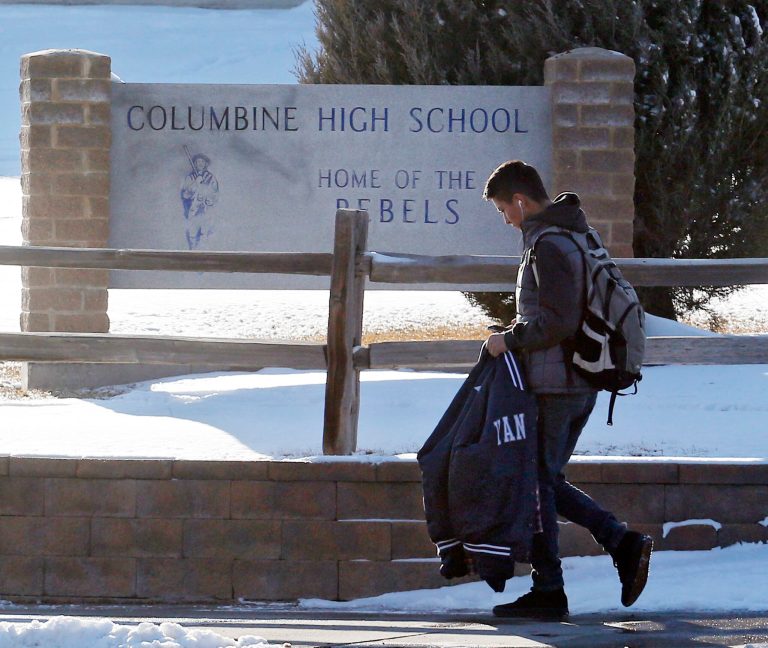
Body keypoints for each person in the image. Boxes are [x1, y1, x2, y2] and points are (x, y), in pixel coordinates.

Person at [482, 160, 653, 619]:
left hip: (558, 384)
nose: (506, 219)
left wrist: (508, 340)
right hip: (575, 380)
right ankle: (611, 549)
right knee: (543, 480)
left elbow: (558, 321)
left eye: (504, 209)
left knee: (535, 482)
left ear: (520, 201)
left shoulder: (550, 243)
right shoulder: (571, 234)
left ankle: (559, 584)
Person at [181, 153, 219, 250]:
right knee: (192, 235)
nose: (200, 163)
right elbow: (185, 195)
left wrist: (210, 199)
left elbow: (215, 195)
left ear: (206, 163)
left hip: (207, 210)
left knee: (205, 235)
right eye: (198, 161)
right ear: (195, 163)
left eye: (202, 161)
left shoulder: (211, 178)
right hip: (193, 210)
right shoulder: (190, 177)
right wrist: (196, 183)